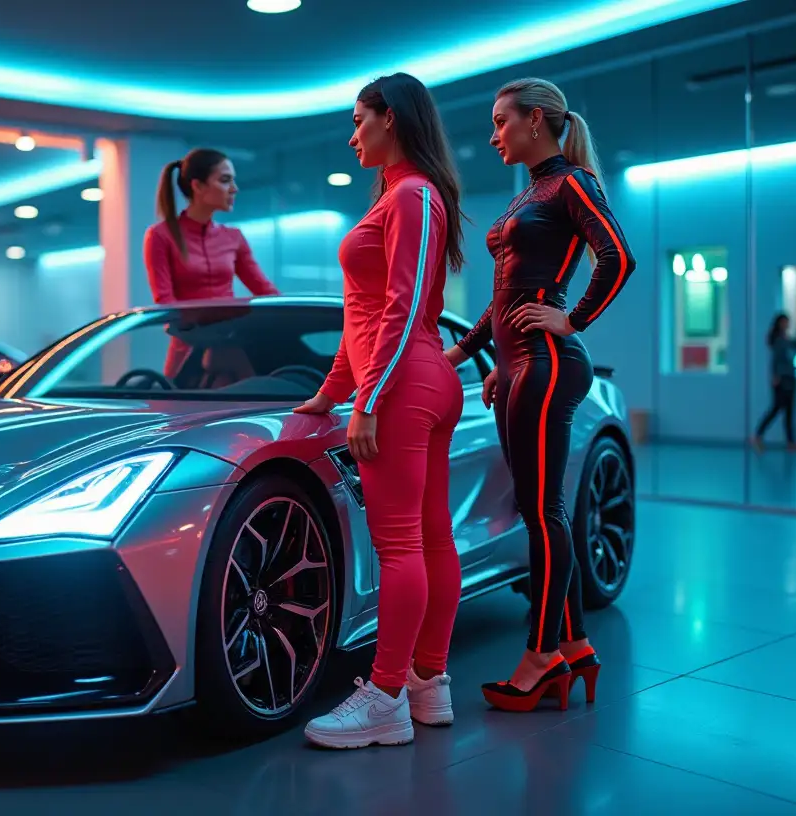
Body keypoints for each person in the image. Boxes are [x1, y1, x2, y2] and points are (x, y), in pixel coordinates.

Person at [447, 77, 636, 712]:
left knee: (542, 514)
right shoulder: (533, 192)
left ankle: (539, 656)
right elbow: (504, 300)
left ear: (536, 120)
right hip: (520, 363)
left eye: (501, 121)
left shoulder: (572, 182)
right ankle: (576, 644)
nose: (494, 134)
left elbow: (619, 257)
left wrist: (572, 319)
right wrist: (468, 353)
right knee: (542, 511)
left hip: (548, 361)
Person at [295, 72, 468, 749]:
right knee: (426, 539)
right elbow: (359, 322)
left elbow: (403, 308)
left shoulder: (416, 196)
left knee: (403, 545)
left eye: (359, 120)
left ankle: (386, 697)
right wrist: (329, 394)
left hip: (405, 388)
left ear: (390, 118)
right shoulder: (398, 197)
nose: (352, 134)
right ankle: (428, 683)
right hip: (407, 382)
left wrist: (367, 399)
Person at [144, 148, 279, 379]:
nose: (234, 189)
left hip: (233, 347)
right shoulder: (160, 235)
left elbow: (265, 291)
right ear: (198, 186)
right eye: (225, 180)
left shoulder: (233, 237)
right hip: (188, 351)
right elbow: (165, 303)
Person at [752, 313, 796, 451]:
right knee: (776, 408)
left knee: (789, 412)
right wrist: (775, 376)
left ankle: (790, 442)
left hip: (790, 378)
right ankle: (757, 435)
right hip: (782, 379)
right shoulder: (777, 340)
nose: (787, 325)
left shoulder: (785, 339)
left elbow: (795, 347)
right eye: (785, 322)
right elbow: (776, 360)